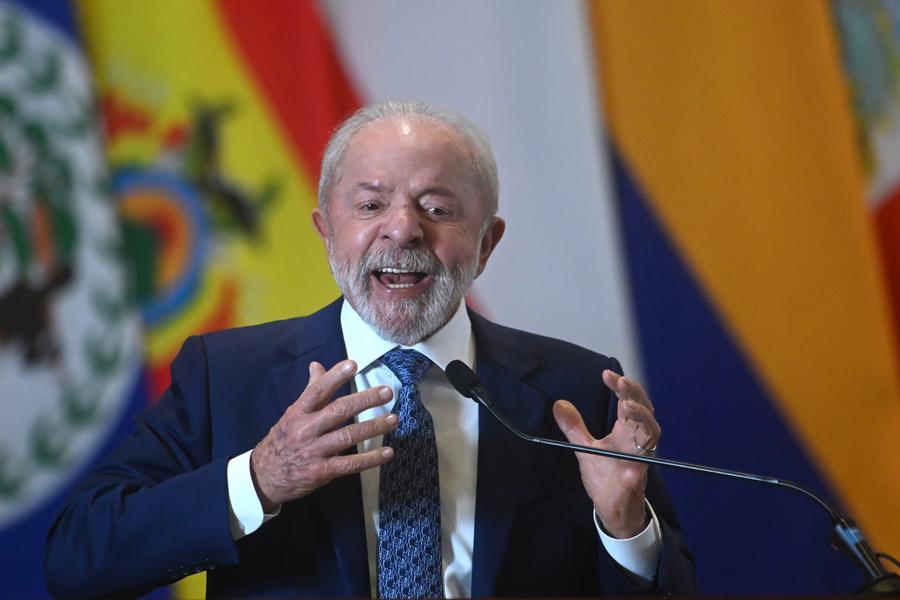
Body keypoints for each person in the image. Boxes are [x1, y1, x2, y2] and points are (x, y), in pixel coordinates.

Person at [44, 101, 696, 598]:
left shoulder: (576, 390)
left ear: (487, 244)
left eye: (437, 208)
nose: (403, 229)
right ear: (327, 232)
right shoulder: (227, 378)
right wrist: (259, 479)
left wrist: (625, 528)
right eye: (370, 204)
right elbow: (78, 558)